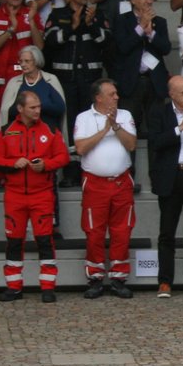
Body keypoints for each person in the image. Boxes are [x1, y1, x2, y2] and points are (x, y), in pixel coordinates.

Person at [0, 90, 69, 302]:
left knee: (45, 241)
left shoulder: (50, 129)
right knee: (14, 242)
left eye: (38, 107)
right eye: (33, 107)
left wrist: (46, 165)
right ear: (20, 109)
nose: (38, 111)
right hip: (15, 195)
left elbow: (62, 156)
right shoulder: (6, 130)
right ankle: (14, 287)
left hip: (42, 194)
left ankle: (47, 287)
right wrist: (13, 163)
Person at [74, 79, 138, 298]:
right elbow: (80, 148)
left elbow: (131, 144)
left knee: (122, 231)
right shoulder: (83, 118)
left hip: (121, 181)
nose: (116, 97)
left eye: (117, 93)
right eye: (112, 94)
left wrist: (116, 126)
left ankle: (119, 278)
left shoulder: (125, 115)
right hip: (95, 183)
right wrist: (104, 130)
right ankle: (95, 278)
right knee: (94, 232)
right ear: (99, 98)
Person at [111, 0, 172, 127]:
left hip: (154, 80)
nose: (149, 1)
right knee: (129, 126)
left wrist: (151, 33)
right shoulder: (122, 20)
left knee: (156, 126)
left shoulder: (160, 21)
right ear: (133, 0)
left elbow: (166, 49)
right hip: (131, 81)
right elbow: (123, 47)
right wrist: (140, 28)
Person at [0, 46, 65, 131]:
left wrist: (37, 106)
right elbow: (7, 111)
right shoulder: (14, 82)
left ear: (36, 61)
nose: (23, 64)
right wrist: (27, 108)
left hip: (47, 133)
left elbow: (60, 108)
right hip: (19, 134)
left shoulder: (51, 80)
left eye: (27, 61)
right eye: (21, 61)